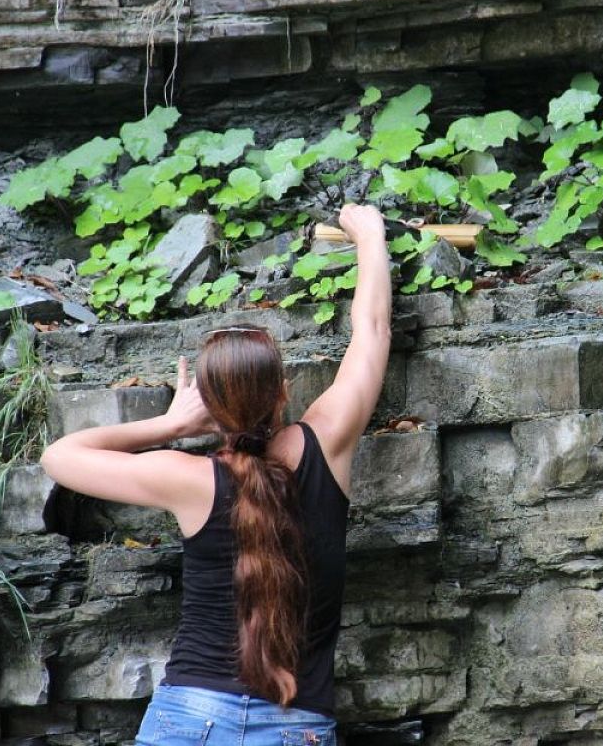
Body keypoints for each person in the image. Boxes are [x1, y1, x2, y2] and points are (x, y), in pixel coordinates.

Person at [40, 203, 392, 746]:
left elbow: (59, 457)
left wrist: (170, 424)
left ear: (210, 405)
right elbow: (371, 332)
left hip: (189, 719)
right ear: (282, 393)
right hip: (296, 727)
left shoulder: (186, 478)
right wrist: (369, 235)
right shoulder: (326, 444)